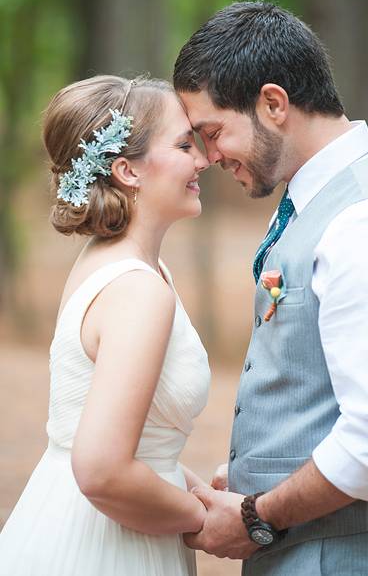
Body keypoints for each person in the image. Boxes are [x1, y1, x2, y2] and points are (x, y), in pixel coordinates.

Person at [173, 1, 368, 574]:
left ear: (273, 103)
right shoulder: (308, 198)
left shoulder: (366, 222)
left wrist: (256, 516)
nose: (209, 157)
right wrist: (259, 473)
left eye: (213, 133)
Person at [0, 76, 211, 574]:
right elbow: (101, 470)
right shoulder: (137, 290)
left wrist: (197, 489)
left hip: (73, 511)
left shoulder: (113, 262)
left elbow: (140, 444)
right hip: (106, 543)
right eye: (184, 145)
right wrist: (203, 519)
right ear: (127, 170)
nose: (203, 160)